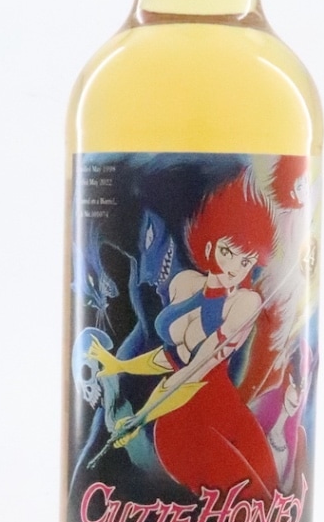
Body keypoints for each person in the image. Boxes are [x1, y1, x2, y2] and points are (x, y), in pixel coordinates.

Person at [89, 173, 279, 501]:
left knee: (270, 503)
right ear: (211, 245)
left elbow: (195, 371)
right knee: (249, 502)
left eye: (247, 260)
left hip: (225, 413)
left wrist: (141, 418)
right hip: (183, 430)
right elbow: (171, 359)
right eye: (228, 251)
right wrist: (119, 366)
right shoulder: (185, 284)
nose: (235, 267)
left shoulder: (243, 304)